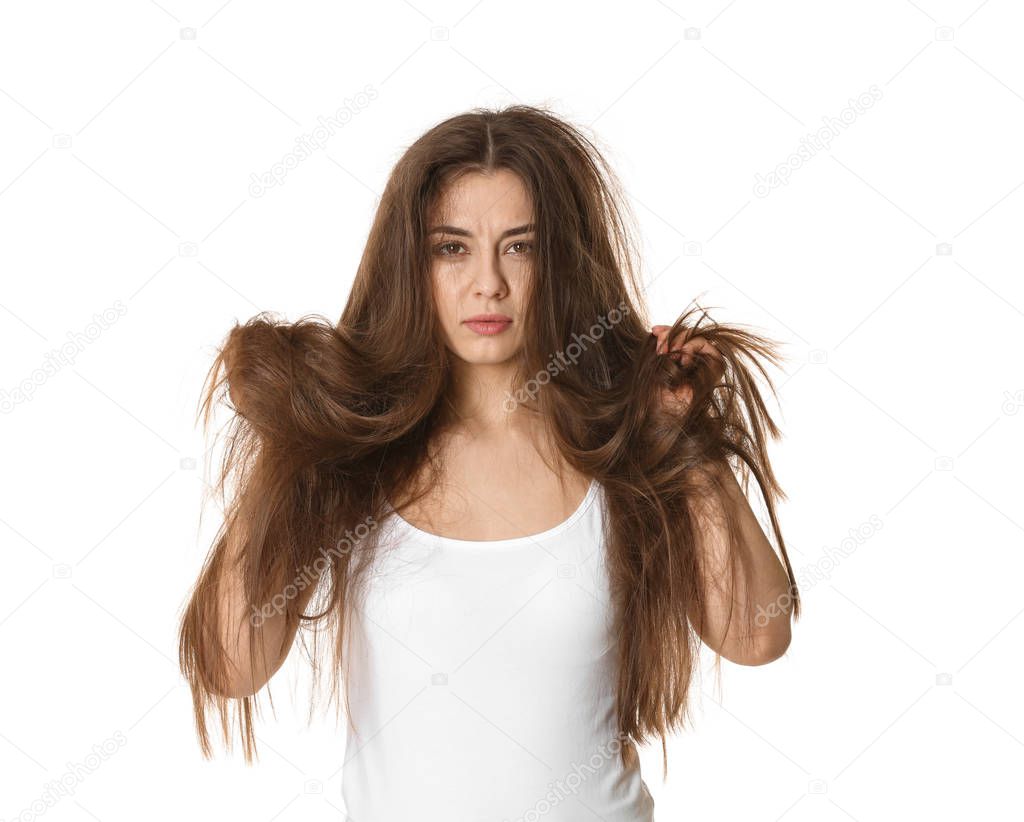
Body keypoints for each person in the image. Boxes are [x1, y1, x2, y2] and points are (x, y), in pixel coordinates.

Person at [178, 104, 800, 821]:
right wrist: (287, 439)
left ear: (561, 260)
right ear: (412, 263)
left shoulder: (619, 447)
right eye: (453, 248)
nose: (488, 284)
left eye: (520, 247)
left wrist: (683, 437)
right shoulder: (357, 455)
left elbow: (758, 635)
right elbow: (230, 666)